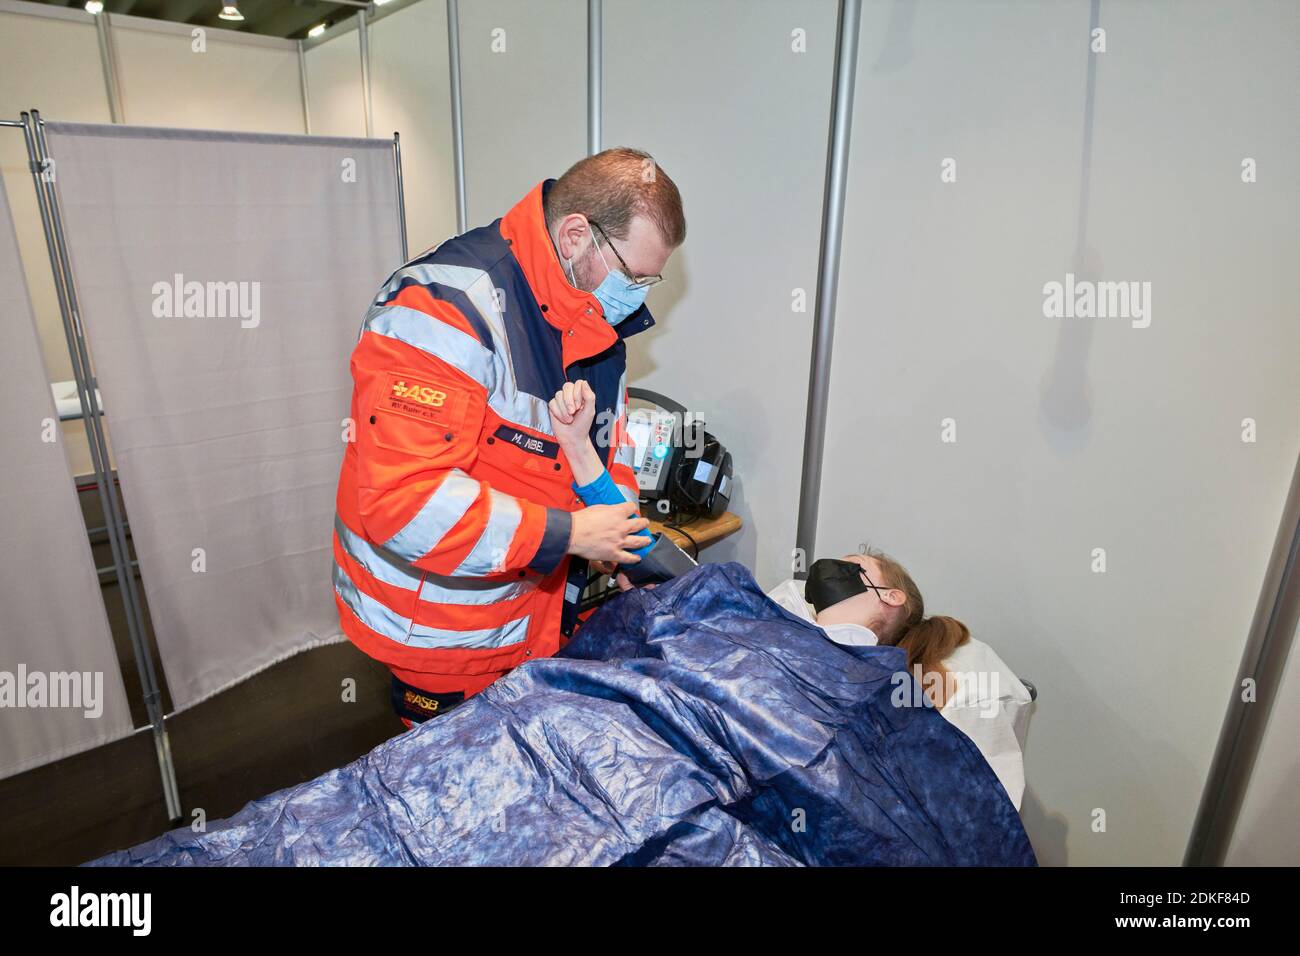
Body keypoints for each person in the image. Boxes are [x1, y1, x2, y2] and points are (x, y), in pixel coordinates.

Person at [332, 148, 685, 728]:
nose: (640, 294)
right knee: (450, 797)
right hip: (442, 633)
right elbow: (404, 501)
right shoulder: (445, 309)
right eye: (633, 276)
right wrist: (572, 532)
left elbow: (607, 447)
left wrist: (618, 527)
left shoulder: (598, 321)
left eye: (651, 279)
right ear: (576, 235)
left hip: (534, 617)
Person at [767, 551, 1033, 809]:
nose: (829, 570)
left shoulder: (922, 695)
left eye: (851, 567)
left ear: (892, 596)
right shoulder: (792, 625)